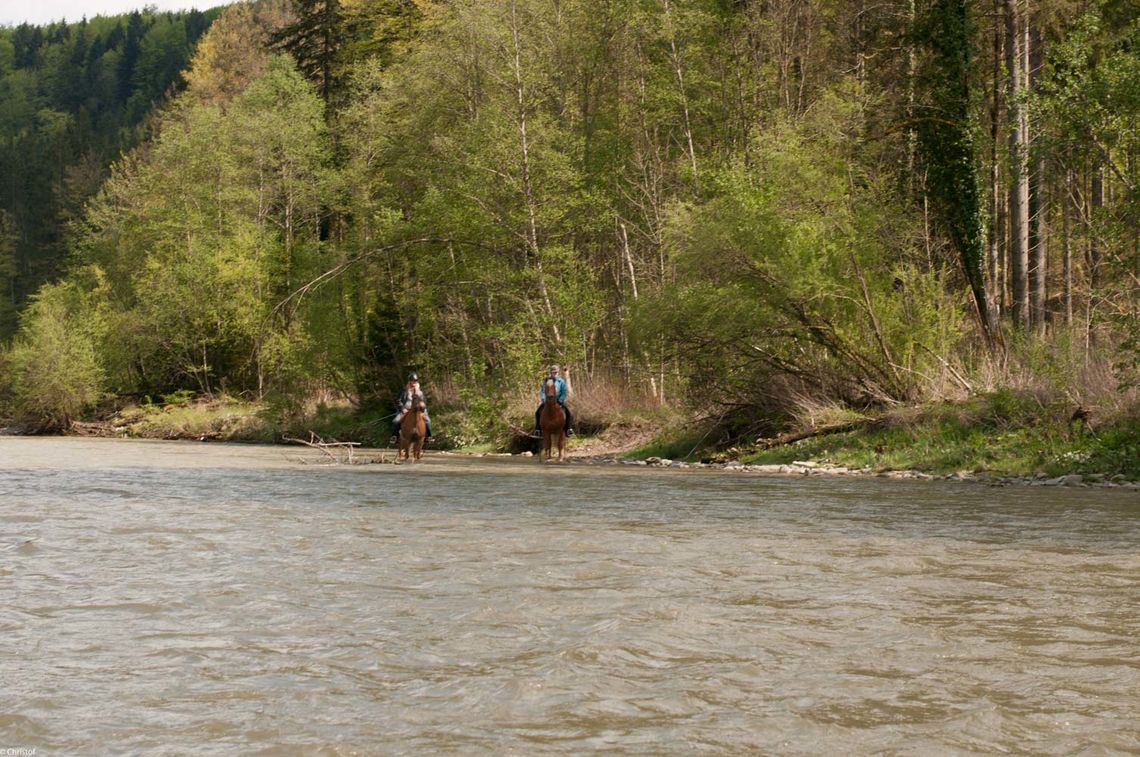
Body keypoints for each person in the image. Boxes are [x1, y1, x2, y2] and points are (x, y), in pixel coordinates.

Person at [531, 364, 573, 438]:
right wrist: (543, 399)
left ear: (558, 372)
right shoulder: (547, 381)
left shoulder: (561, 381)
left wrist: (560, 400)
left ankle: (568, 429)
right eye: (553, 372)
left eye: (556, 372)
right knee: (537, 412)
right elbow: (543, 391)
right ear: (551, 373)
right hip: (547, 401)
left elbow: (564, 392)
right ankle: (538, 430)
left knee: (569, 413)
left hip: (558, 401)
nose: (555, 374)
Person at [391, 372, 433, 443]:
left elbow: (424, 402)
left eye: (415, 380)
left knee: (428, 421)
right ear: (409, 381)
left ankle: (429, 437)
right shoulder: (404, 390)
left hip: (418, 411)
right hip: (405, 410)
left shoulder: (420, 391)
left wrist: (417, 392)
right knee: (395, 421)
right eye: (412, 380)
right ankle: (395, 436)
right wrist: (402, 408)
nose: (414, 382)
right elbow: (398, 401)